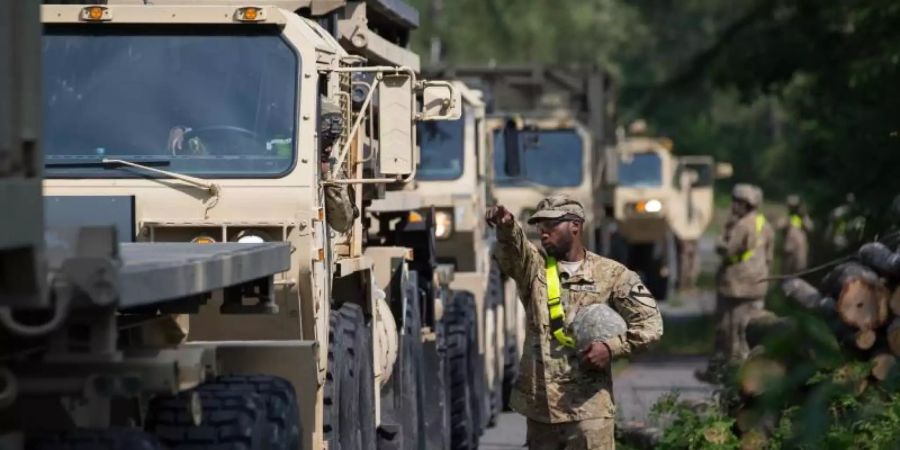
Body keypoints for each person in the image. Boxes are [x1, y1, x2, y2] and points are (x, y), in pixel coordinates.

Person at [486, 195, 663, 449]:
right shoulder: (534, 272)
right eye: (539, 227)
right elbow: (515, 250)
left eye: (551, 225)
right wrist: (506, 225)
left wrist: (611, 347)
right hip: (542, 412)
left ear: (575, 226)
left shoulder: (613, 275)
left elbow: (651, 325)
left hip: (588, 411)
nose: (543, 233)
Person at [699, 184, 772, 381]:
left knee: (731, 332)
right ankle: (741, 373)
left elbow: (727, 250)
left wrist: (721, 237)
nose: (733, 205)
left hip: (735, 286)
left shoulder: (741, 225)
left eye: (737, 202)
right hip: (757, 285)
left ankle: (731, 375)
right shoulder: (763, 223)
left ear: (745, 204)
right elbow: (769, 256)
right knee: (750, 329)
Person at [779, 194, 813, 274]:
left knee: (799, 271)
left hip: (800, 250)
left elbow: (810, 228)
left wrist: (803, 217)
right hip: (789, 250)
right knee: (786, 273)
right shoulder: (787, 217)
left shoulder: (803, 218)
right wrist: (788, 220)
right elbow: (779, 225)